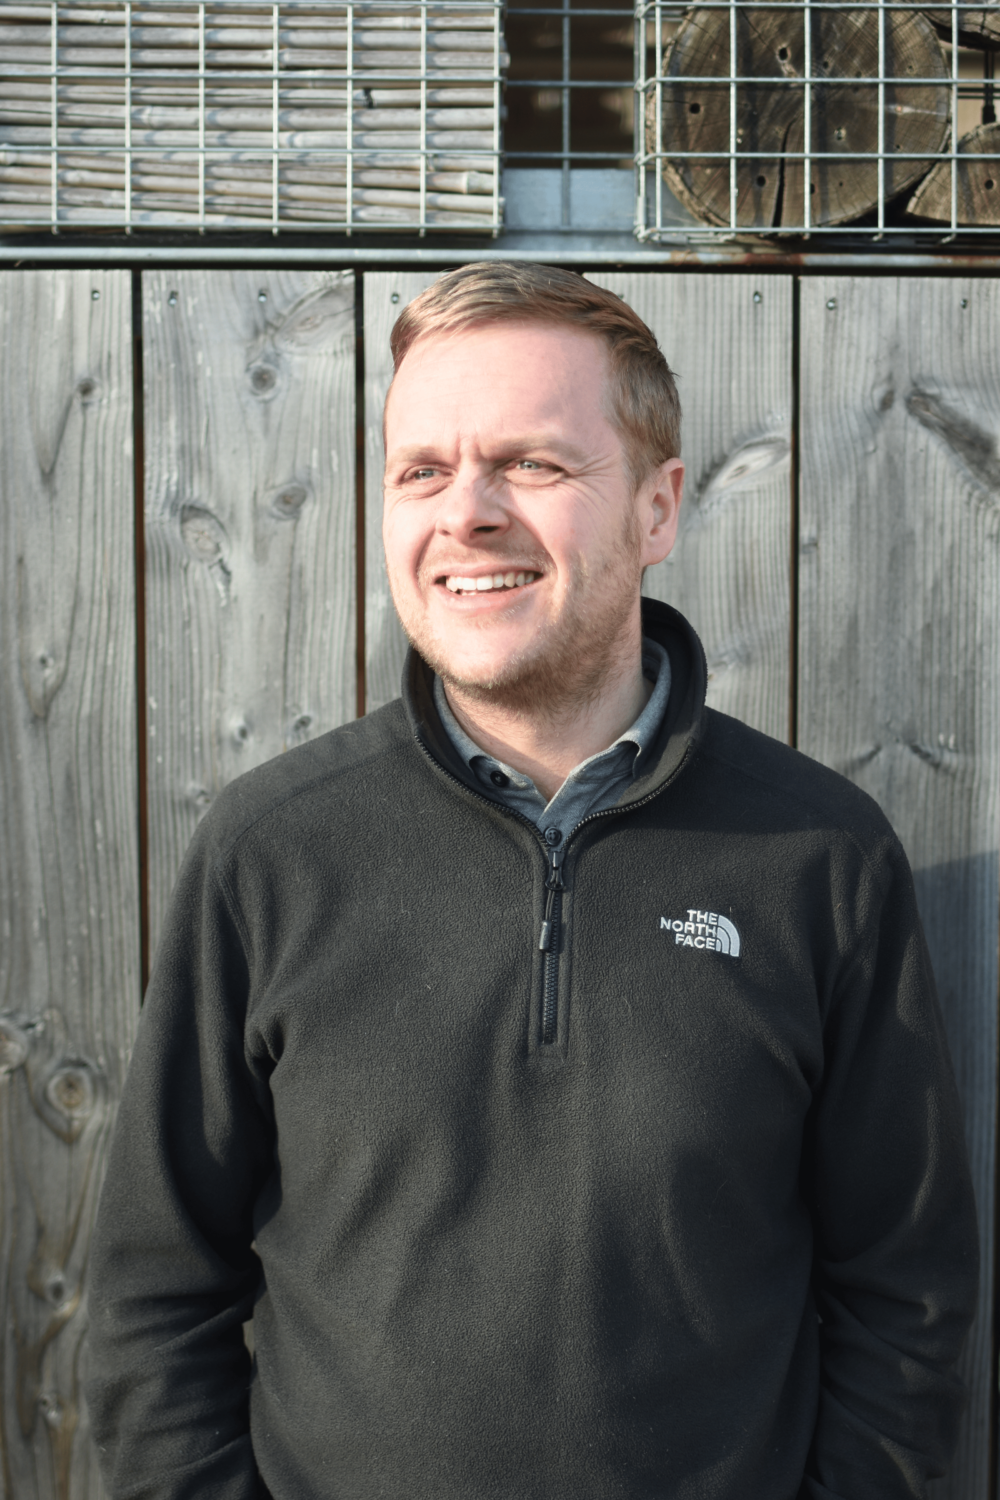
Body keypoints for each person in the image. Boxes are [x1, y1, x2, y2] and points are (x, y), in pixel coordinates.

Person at [87, 262, 978, 1500]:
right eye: (422, 471)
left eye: (531, 463)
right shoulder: (269, 853)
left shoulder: (818, 860)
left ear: (657, 509)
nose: (466, 513)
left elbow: (905, 1300)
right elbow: (153, 1299)